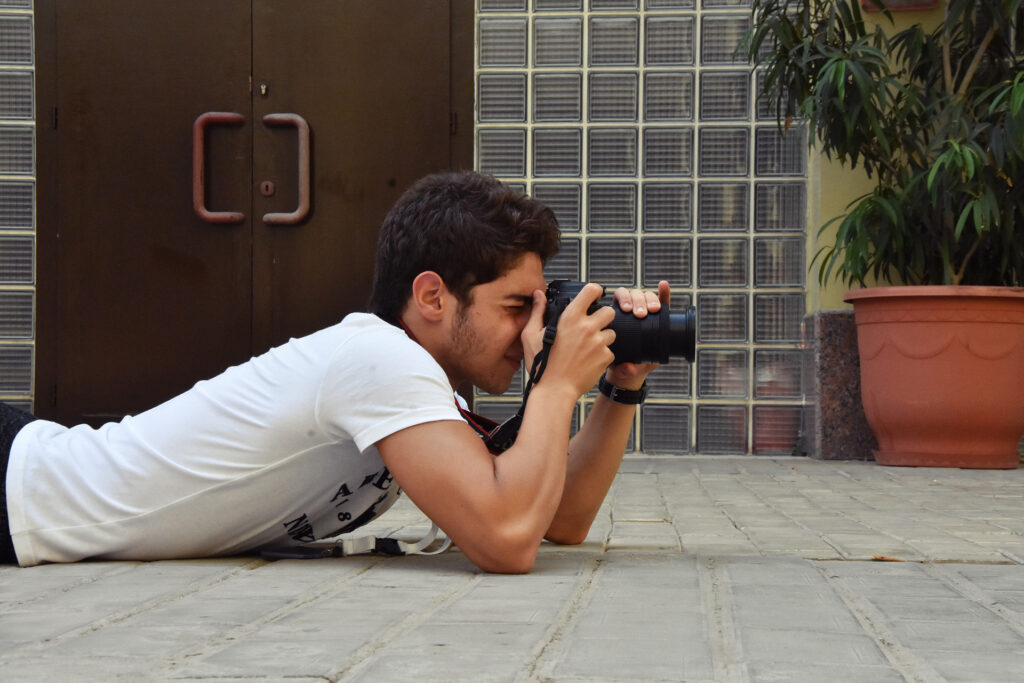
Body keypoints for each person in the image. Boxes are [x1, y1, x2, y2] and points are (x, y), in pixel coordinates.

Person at [1, 170, 668, 573]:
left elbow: (559, 517)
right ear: (433, 297)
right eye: (516, 306)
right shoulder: (379, 360)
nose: (529, 329)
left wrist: (620, 384)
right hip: (15, 490)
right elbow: (506, 538)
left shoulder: (413, 381)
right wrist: (554, 384)